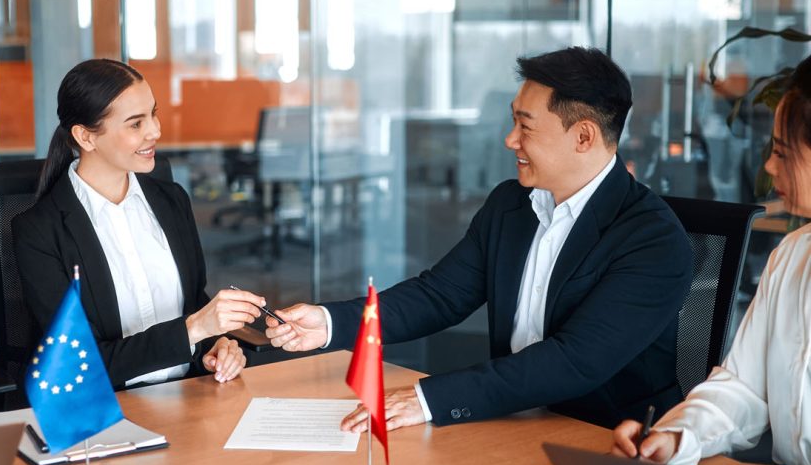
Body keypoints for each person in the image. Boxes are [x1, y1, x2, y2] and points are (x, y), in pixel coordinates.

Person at [266, 47, 693, 431]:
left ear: (583, 136)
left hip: (608, 441)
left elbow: (574, 361)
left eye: (526, 127)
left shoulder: (652, 239)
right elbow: (440, 295)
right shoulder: (511, 205)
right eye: (514, 121)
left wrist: (429, 399)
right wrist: (329, 323)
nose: (510, 140)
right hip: (513, 421)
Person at [612, 54, 811, 465]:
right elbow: (743, 388)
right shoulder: (793, 255)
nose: (769, 167)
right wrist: (678, 438)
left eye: (784, 152)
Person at [13, 59, 265, 390]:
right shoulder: (40, 230)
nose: (155, 131)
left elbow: (192, 302)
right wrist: (193, 331)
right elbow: (80, 363)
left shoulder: (171, 201)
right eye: (135, 124)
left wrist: (214, 345)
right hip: (105, 414)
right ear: (86, 137)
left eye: (153, 114)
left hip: (190, 397)